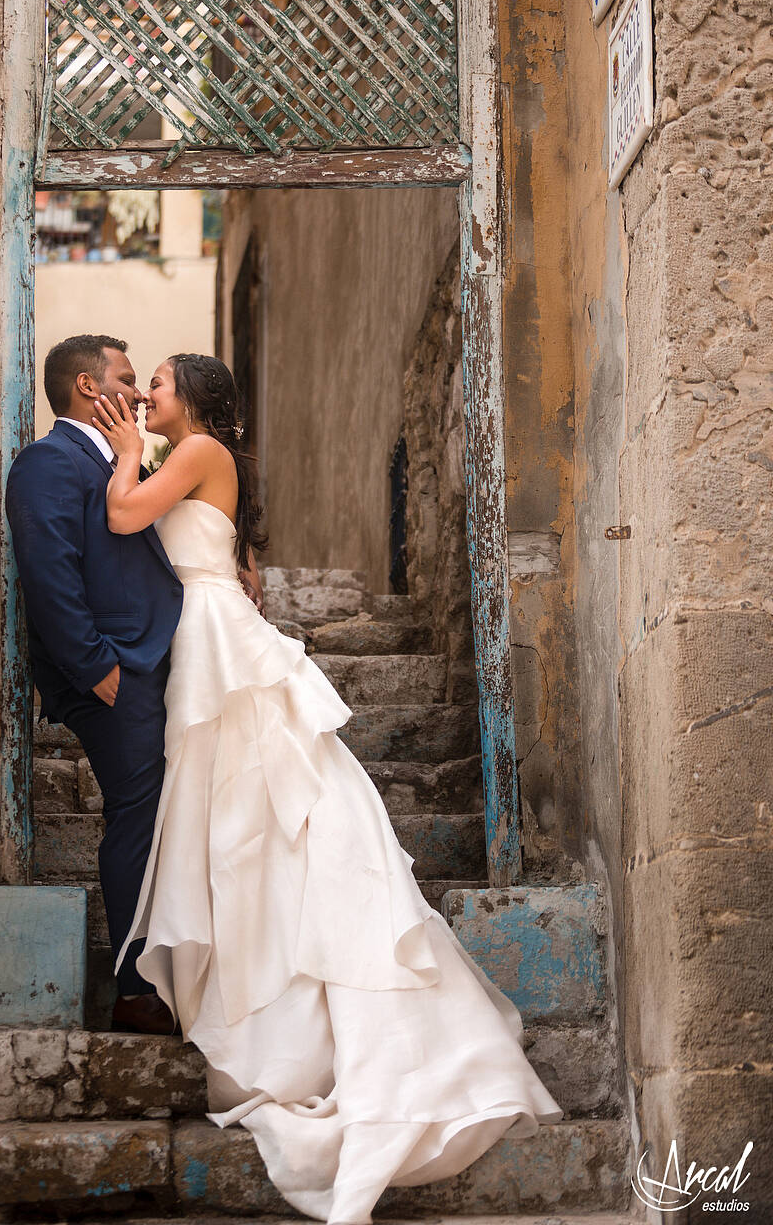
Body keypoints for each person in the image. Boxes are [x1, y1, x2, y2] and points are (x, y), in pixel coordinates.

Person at [90, 351, 565, 1225]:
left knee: (258, 805)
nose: (143, 396)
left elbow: (124, 518)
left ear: (190, 398)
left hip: (218, 643)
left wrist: (123, 451)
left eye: (155, 384)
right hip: (205, 633)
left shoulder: (192, 454)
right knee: (232, 813)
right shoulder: (194, 460)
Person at [4, 335, 185, 1034]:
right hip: (114, 672)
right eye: (128, 379)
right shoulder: (49, 462)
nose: (140, 394)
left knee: (166, 811)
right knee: (137, 815)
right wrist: (94, 666)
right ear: (88, 386)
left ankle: (168, 972)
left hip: (153, 661)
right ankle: (136, 988)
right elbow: (48, 571)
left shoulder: (119, 461)